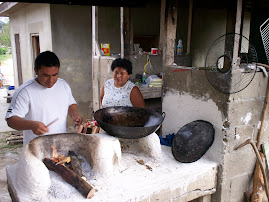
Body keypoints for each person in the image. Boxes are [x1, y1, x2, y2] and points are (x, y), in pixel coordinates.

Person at [5, 51, 83, 146]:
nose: (51, 80)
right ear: (36, 71)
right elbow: (11, 120)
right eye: (45, 75)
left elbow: (70, 103)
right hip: (36, 149)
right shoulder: (25, 91)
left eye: (55, 75)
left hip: (60, 145)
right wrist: (32, 125)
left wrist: (74, 114)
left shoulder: (63, 85)